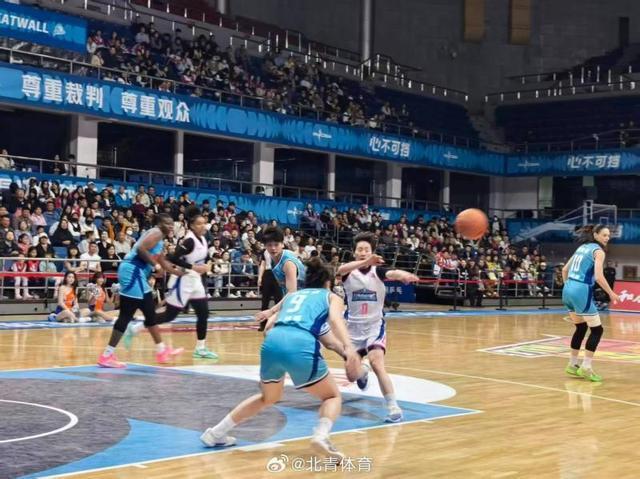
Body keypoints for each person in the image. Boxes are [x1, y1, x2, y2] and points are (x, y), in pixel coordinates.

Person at [200, 257, 363, 461]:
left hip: (273, 341)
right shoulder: (331, 297)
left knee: (267, 398)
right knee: (332, 397)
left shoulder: (292, 296)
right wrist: (349, 347)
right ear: (328, 282)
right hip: (300, 342)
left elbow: (268, 326)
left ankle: (216, 433)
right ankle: (321, 437)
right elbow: (336, 321)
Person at [336, 232, 419, 423]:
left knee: (377, 363)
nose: (363, 252)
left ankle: (393, 407)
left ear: (372, 252)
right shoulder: (348, 271)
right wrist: (366, 261)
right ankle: (362, 371)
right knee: (352, 375)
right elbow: (340, 270)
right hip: (352, 329)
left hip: (374, 326)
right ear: (354, 252)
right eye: (360, 249)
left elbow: (392, 273)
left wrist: (404, 275)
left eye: (367, 249)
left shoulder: (378, 271)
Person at [124, 207, 217, 359]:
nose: (203, 226)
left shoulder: (204, 239)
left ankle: (200, 348)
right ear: (192, 226)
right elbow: (172, 258)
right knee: (169, 316)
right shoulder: (189, 240)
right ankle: (135, 328)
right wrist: (193, 267)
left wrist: (207, 266)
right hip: (183, 280)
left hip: (196, 281)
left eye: (204, 223)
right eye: (199, 224)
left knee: (203, 313)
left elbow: (201, 260)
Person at [97, 214, 187, 368]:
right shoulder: (156, 232)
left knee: (149, 313)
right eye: (167, 223)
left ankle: (161, 351)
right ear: (159, 224)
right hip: (132, 272)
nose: (171, 226)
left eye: (172, 223)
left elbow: (163, 262)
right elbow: (140, 249)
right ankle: (106, 355)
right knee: (127, 315)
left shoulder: (159, 239)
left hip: (135, 273)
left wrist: (180, 273)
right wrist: (155, 265)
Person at [562, 225, 620, 382]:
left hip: (568, 289)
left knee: (581, 328)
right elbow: (599, 277)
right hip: (581, 290)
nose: (607, 238)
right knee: (597, 330)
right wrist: (611, 293)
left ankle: (572, 364)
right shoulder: (598, 251)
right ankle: (586, 367)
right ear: (595, 235)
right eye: (604, 235)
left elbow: (565, 270)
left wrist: (569, 287)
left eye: (608, 235)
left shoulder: (582, 247)